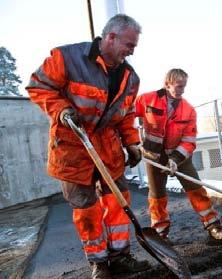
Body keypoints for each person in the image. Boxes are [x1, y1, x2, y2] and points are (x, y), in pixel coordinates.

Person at [26, 14, 150, 279]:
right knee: (87, 209)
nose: (131, 52)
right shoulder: (67, 58)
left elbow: (126, 115)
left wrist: (132, 143)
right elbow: (38, 86)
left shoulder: (130, 77)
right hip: (73, 146)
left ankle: (120, 257)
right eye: (129, 45)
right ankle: (99, 263)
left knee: (118, 202)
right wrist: (61, 109)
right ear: (110, 37)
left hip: (107, 148)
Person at [135, 68, 222, 242]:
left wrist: (175, 160)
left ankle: (213, 226)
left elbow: (189, 140)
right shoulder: (147, 99)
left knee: (195, 188)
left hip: (180, 156)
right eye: (179, 86)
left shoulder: (188, 110)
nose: (182, 90)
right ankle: (160, 232)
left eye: (184, 86)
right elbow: (125, 116)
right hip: (153, 156)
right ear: (167, 84)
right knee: (157, 195)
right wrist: (131, 142)